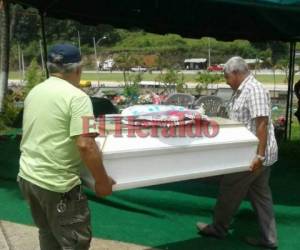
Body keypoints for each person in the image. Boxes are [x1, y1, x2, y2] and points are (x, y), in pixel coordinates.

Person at [18, 44, 115, 250]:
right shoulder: (78, 98)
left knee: (47, 232)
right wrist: (102, 181)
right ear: (78, 70)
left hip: (28, 177)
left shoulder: (35, 91)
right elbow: (85, 144)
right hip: (57, 186)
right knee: (75, 243)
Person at [197, 57, 278, 249]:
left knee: (228, 190)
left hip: (252, 155)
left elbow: (262, 124)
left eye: (226, 76)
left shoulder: (254, 90)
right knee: (261, 196)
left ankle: (218, 228)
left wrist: (259, 156)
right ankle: (270, 239)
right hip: (257, 154)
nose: (226, 80)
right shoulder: (242, 90)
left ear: (235, 73)